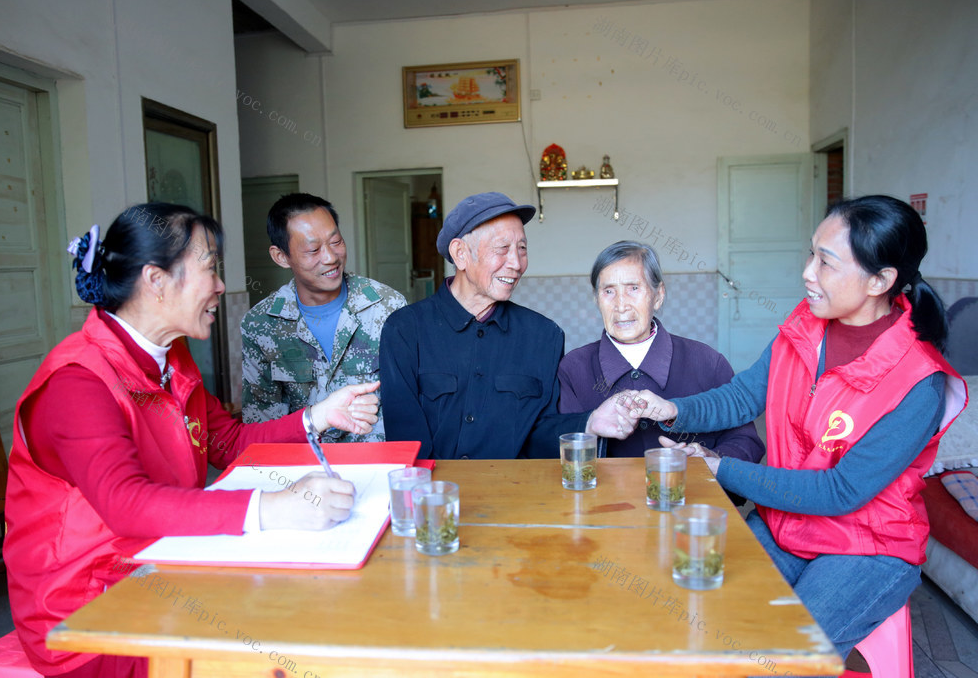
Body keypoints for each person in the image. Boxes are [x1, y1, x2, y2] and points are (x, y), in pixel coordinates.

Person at [4, 203, 380, 678]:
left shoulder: (171, 357)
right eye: (209, 268)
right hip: (89, 613)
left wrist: (320, 416)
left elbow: (227, 444)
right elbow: (125, 503)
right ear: (156, 281)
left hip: (162, 569)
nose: (222, 286)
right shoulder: (77, 382)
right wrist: (276, 506)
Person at [635, 195, 967, 668]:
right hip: (782, 523)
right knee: (697, 617)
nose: (808, 272)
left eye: (826, 262)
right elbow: (742, 396)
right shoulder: (807, 324)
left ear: (880, 280)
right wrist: (668, 409)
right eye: (811, 254)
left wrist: (720, 469)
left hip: (866, 548)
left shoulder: (918, 383)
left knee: (784, 657)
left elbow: (841, 491)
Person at [380, 191, 646, 460]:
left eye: (522, 248)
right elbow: (405, 438)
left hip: (514, 495)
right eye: (502, 249)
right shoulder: (404, 331)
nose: (517, 264)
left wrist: (590, 422)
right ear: (460, 254)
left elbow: (540, 434)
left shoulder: (544, 336)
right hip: (435, 497)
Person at [558, 241, 764, 473]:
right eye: (609, 291)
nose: (621, 305)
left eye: (633, 288)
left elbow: (747, 443)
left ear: (658, 295)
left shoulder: (708, 362)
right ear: (597, 299)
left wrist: (712, 459)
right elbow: (558, 451)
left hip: (687, 504)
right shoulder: (574, 368)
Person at [241, 193, 406, 440]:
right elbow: (262, 421)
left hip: (378, 463)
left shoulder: (387, 306)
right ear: (281, 256)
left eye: (336, 242)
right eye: (313, 249)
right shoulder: (261, 325)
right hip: (306, 469)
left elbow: (409, 402)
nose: (330, 258)